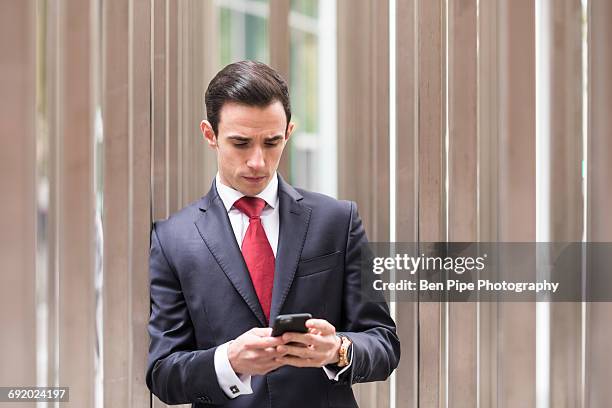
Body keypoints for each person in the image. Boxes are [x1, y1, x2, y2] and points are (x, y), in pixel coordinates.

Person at [146, 60, 400, 407]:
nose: (258, 162)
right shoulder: (172, 238)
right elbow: (163, 372)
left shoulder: (337, 221)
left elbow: (384, 343)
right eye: (241, 143)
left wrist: (338, 349)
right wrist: (229, 361)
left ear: (289, 132)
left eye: (271, 142)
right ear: (210, 135)